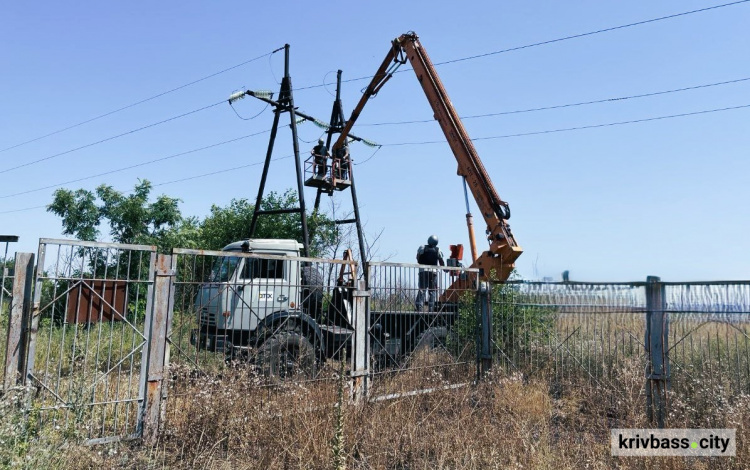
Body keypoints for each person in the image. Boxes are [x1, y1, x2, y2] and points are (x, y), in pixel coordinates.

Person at [415, 235, 444, 312]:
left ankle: (419, 309)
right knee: (432, 291)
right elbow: (441, 261)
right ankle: (431, 309)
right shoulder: (438, 249)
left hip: (423, 271)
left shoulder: (422, 247)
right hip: (433, 272)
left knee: (422, 290)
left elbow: (418, 258)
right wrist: (444, 268)